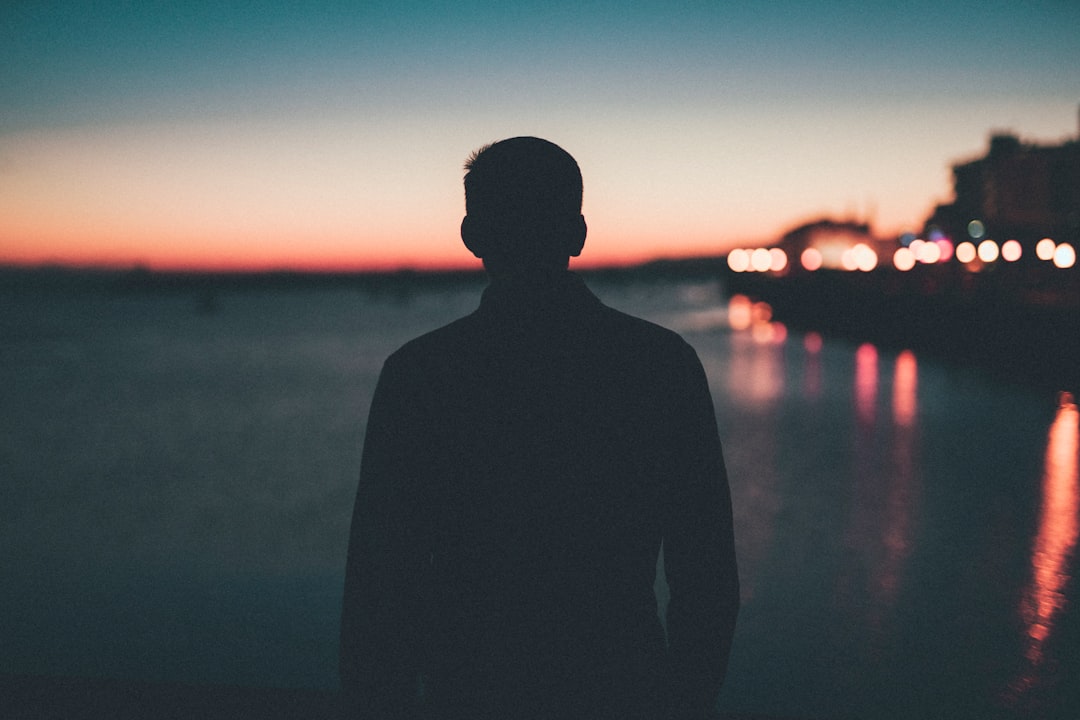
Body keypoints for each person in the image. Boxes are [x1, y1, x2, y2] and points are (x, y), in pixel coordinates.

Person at [339, 137, 739, 720]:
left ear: (472, 235)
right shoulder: (659, 364)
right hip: (623, 685)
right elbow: (705, 571)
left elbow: (380, 576)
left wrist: (378, 698)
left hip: (469, 690)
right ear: (578, 233)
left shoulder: (421, 374)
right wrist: (686, 698)